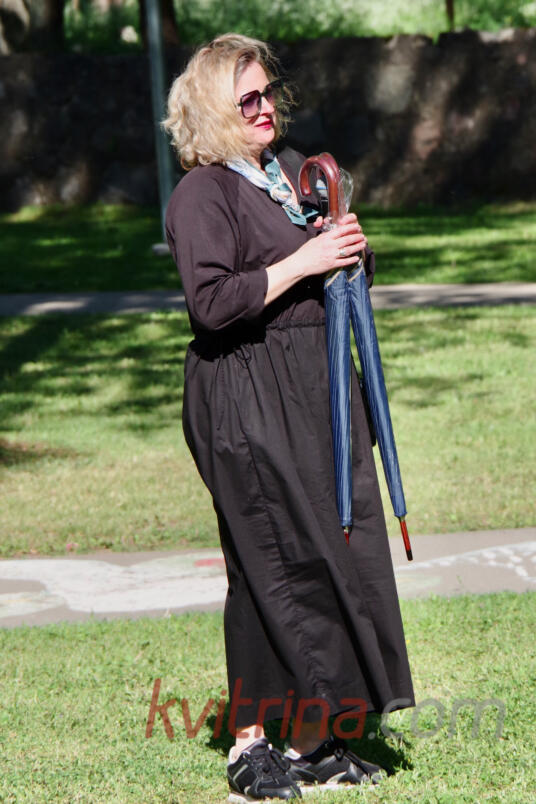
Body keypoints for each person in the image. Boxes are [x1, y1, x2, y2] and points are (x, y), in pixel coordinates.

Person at [163, 33, 414, 802]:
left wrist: (350, 250)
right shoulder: (203, 194)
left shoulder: (289, 174)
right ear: (213, 110)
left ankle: (310, 740)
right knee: (265, 561)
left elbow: (326, 278)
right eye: (247, 99)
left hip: (311, 388)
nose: (265, 107)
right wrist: (304, 260)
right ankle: (249, 748)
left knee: (325, 553)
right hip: (243, 392)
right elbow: (212, 303)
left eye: (268, 92)